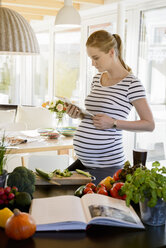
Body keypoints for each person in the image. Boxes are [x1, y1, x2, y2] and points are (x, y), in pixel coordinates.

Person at [66, 30, 155, 184]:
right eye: (91, 59)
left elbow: (149, 124)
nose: (93, 63)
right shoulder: (97, 79)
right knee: (52, 190)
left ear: (111, 52)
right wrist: (79, 115)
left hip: (107, 166)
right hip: (84, 163)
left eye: (96, 58)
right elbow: (96, 116)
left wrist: (114, 122)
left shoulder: (132, 84)